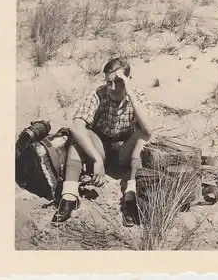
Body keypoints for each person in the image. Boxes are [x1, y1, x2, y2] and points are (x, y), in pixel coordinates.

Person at [52, 57, 155, 225]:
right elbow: (77, 127)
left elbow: (149, 128)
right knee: (78, 137)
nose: (112, 88)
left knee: (144, 136)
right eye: (109, 82)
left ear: (128, 80)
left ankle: (131, 195)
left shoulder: (137, 95)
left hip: (124, 150)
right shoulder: (98, 94)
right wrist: (96, 159)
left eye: (118, 82)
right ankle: (69, 196)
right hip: (100, 144)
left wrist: (130, 94)